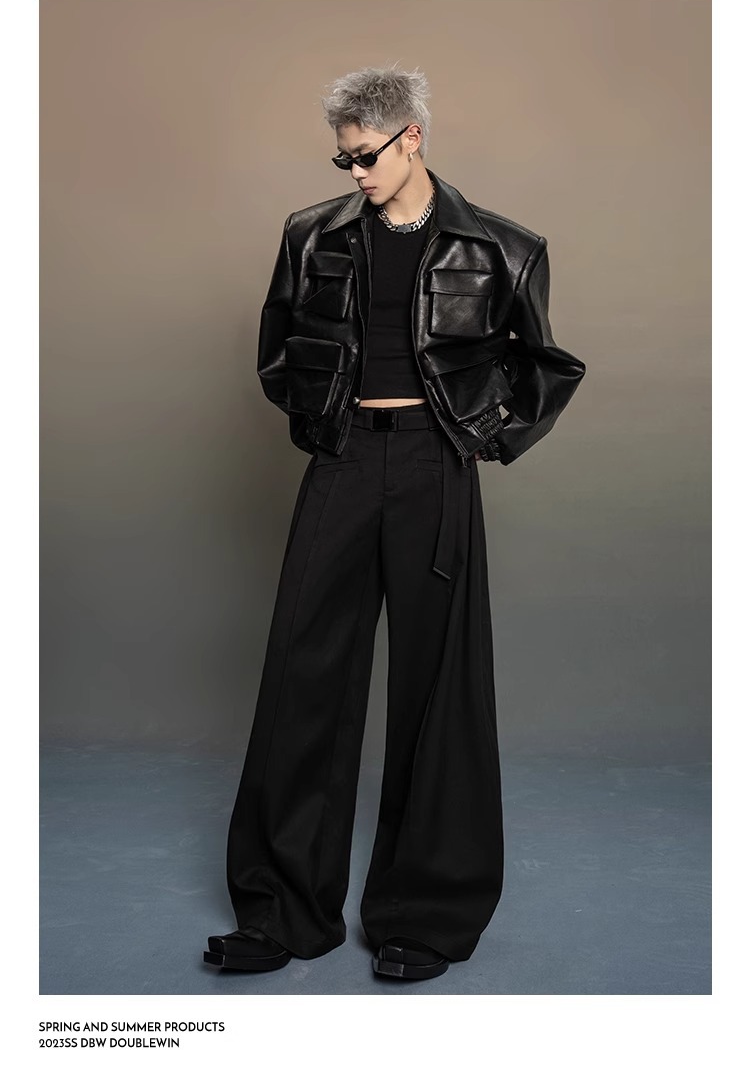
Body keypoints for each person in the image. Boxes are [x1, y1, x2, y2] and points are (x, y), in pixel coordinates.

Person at [204, 65, 586, 981]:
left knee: (438, 686)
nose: (355, 174)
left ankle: (425, 916)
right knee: (303, 676)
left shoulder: (502, 247)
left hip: (432, 466)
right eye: (342, 159)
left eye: (366, 157)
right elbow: (277, 350)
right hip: (340, 462)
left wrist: (480, 435)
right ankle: (283, 910)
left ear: (412, 137)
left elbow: (547, 365)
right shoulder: (311, 235)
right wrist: (321, 421)